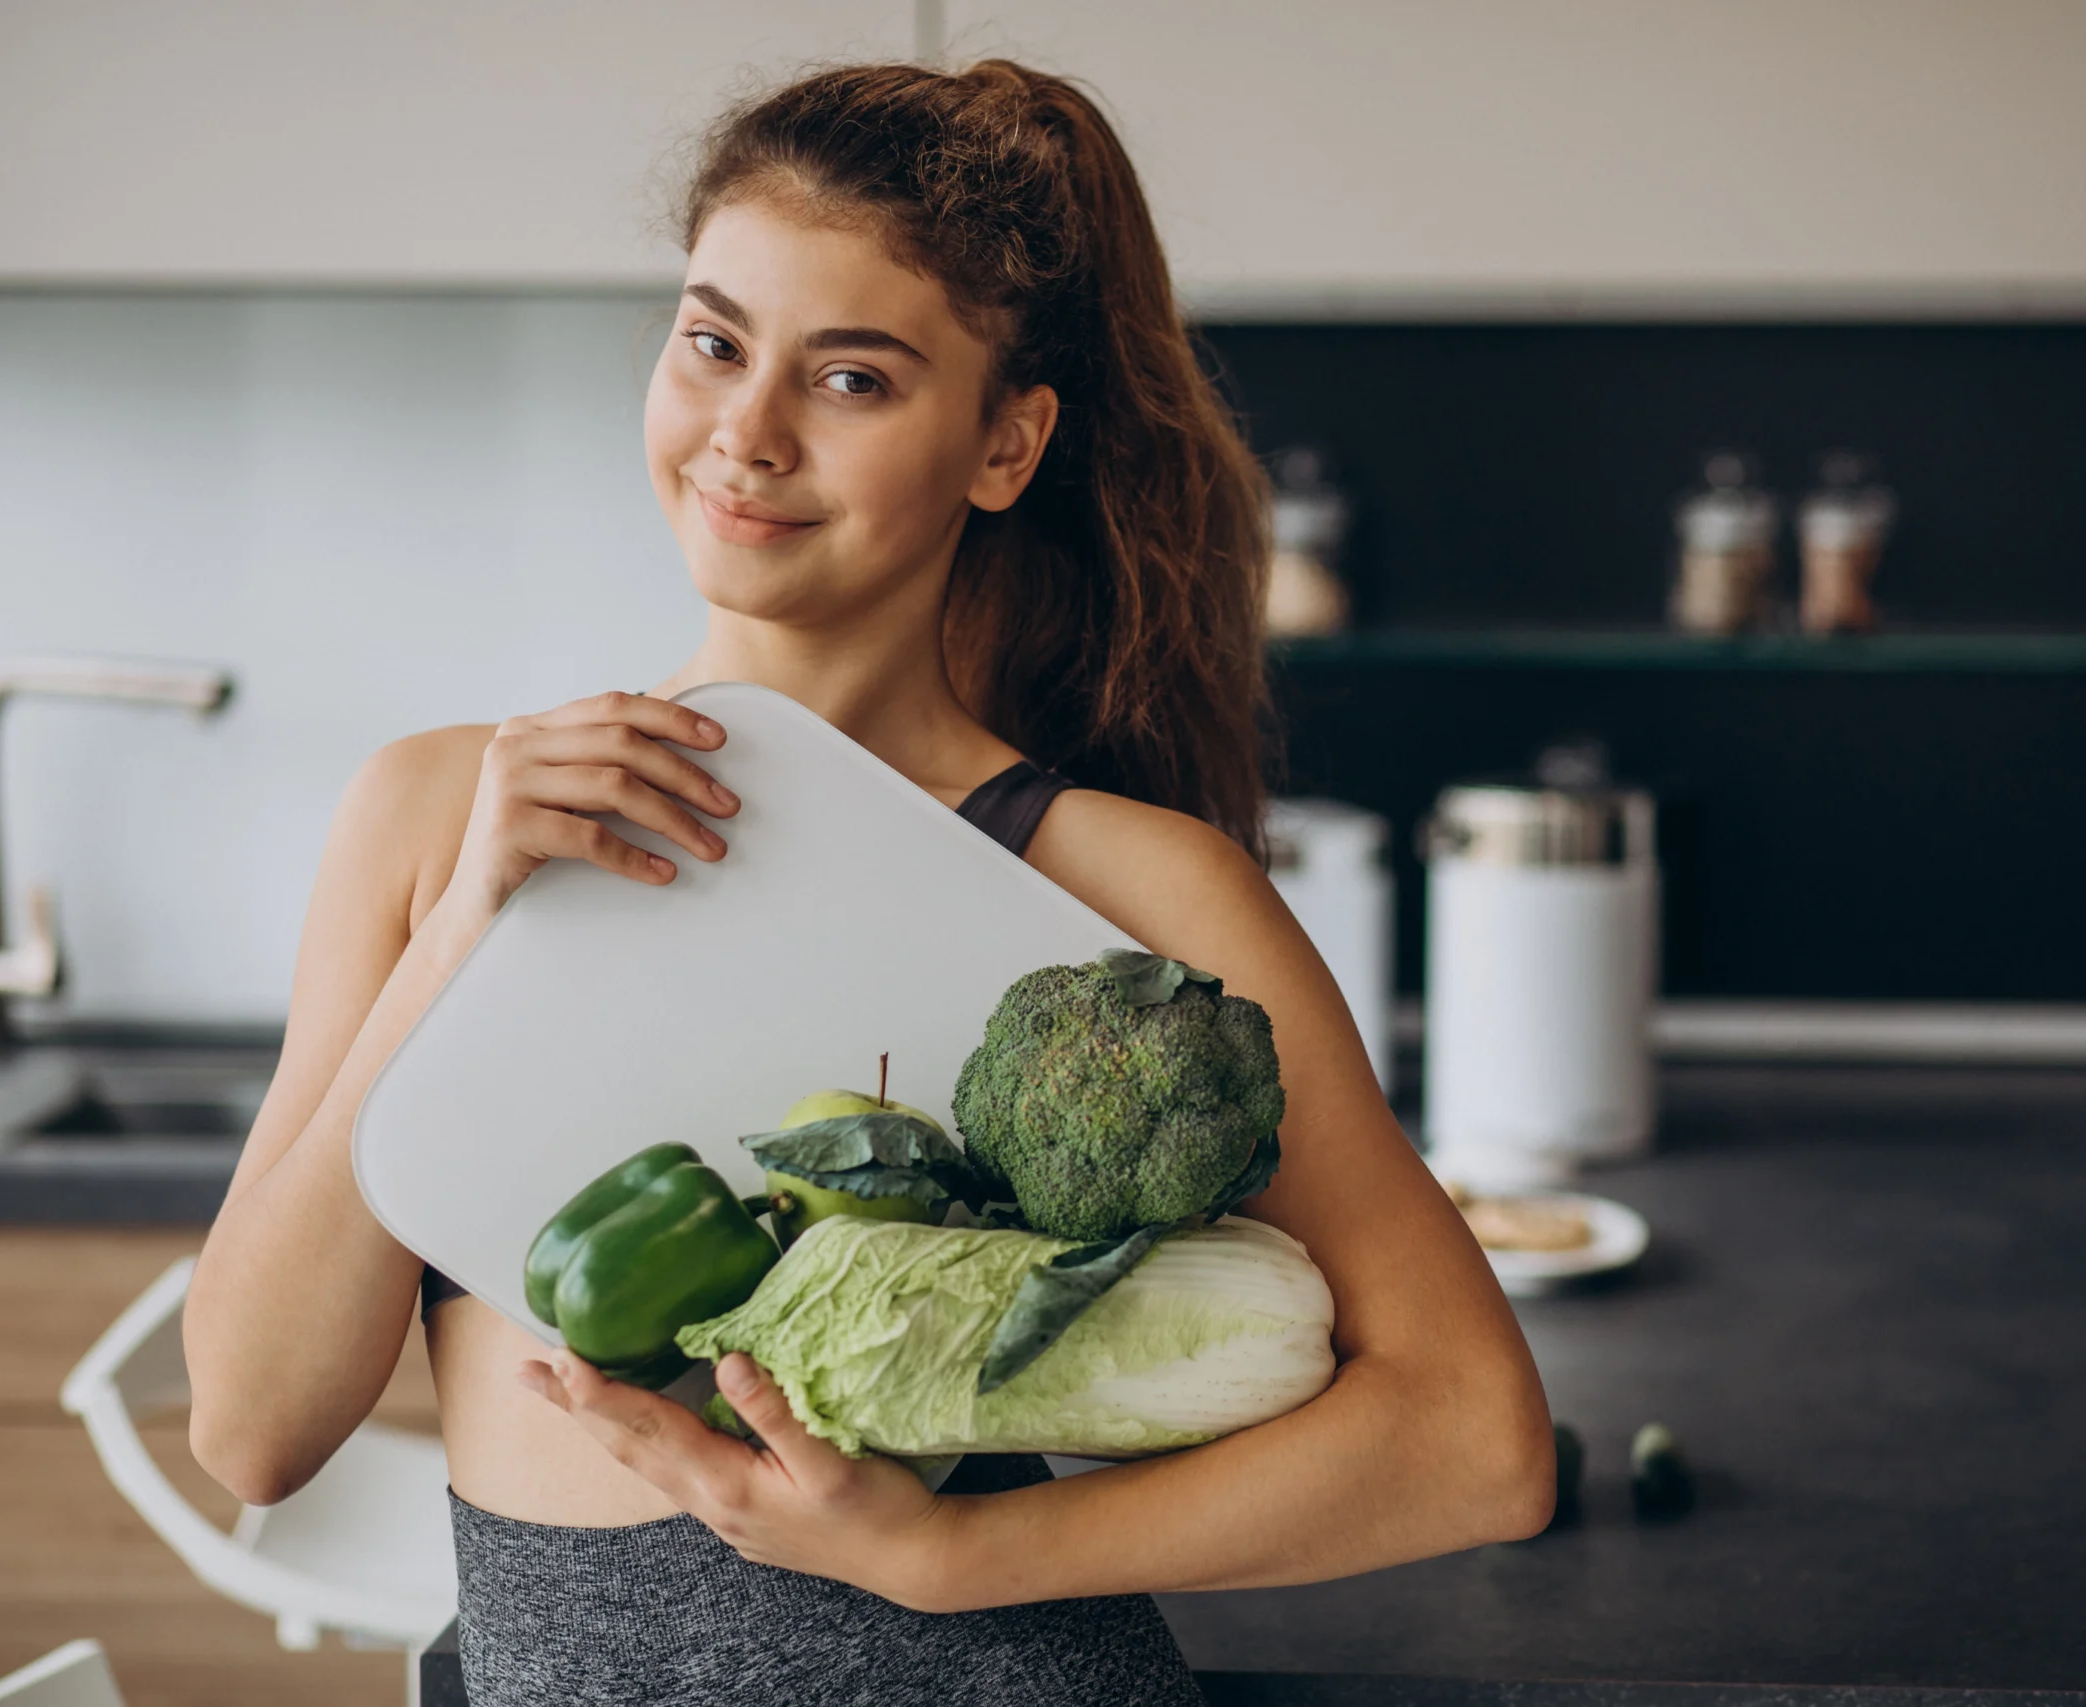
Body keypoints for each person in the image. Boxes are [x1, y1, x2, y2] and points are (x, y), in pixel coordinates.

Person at [183, 59, 1556, 1706]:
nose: (746, 434)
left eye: (852, 378)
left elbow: (1476, 1443)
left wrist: (949, 1555)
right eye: (713, 342)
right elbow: (255, 1428)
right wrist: (476, 915)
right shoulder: (438, 818)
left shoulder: (1134, 892)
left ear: (1005, 442)